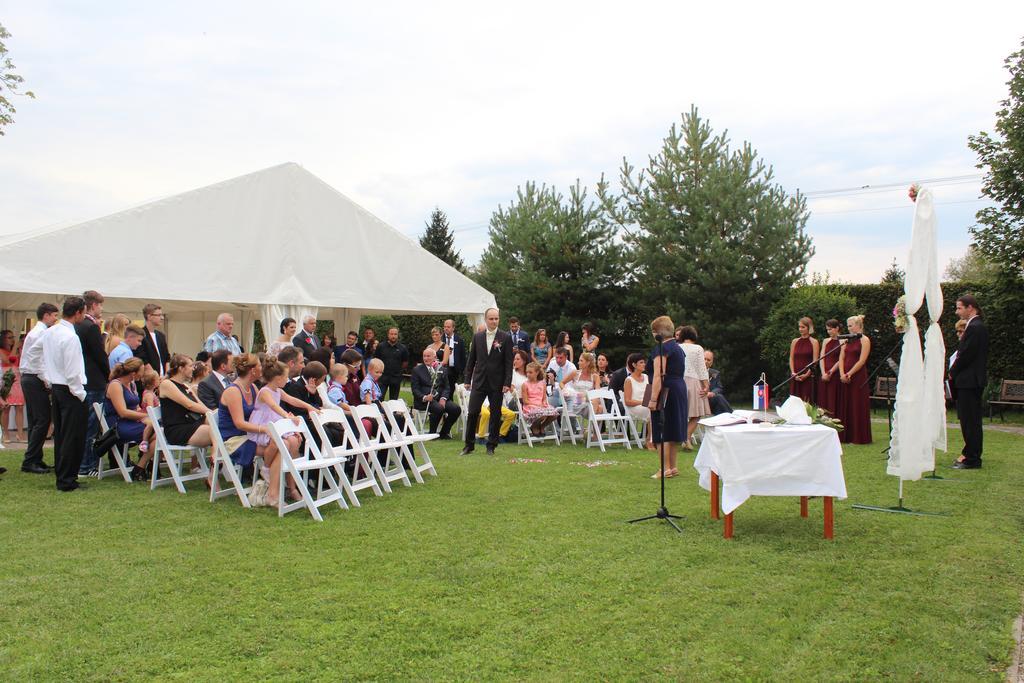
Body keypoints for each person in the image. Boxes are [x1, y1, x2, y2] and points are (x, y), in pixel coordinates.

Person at [248, 359, 310, 507]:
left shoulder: (278, 391)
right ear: (277, 378)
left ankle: (292, 486)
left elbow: (292, 400)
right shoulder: (264, 391)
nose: (288, 379)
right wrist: (287, 416)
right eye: (286, 376)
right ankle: (267, 468)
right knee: (282, 443)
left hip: (276, 422)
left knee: (294, 442)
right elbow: (273, 406)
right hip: (264, 424)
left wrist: (310, 407)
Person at [42, 297, 88, 491]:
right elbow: (72, 370)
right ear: (78, 313)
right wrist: (80, 394)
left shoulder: (50, 332)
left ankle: (64, 476)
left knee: (61, 435)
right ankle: (67, 479)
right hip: (70, 390)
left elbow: (44, 361)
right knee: (73, 437)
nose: (84, 316)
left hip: (57, 387)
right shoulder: (70, 337)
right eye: (84, 312)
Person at [461, 308, 514, 456]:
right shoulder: (477, 337)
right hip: (479, 380)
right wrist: (467, 379)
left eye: (496, 318)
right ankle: (468, 445)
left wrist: (507, 383)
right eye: (491, 319)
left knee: (495, 414)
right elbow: (472, 360)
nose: (494, 321)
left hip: (497, 382)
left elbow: (509, 363)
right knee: (472, 412)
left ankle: (491, 445)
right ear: (485, 319)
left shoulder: (505, 337)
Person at [17, 302, 59, 473]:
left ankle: (35, 458)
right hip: (34, 378)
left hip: (30, 377)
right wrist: (46, 380)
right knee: (42, 420)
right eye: (55, 315)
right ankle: (30, 460)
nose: (56, 319)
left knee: (36, 420)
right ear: (46, 315)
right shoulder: (41, 333)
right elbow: (37, 359)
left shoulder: (37, 331)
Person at [949, 294, 988, 469]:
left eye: (959, 308)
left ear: (970, 307)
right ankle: (969, 453)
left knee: (970, 421)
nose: (957, 312)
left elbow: (966, 355)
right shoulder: (974, 326)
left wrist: (952, 371)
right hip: (969, 381)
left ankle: (972, 458)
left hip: (970, 381)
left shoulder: (976, 327)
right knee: (968, 420)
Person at [646, 316, 688, 479]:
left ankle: (664, 469)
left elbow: (658, 375)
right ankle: (673, 466)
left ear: (658, 333)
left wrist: (653, 398)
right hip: (678, 387)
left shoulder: (661, 349)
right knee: (672, 426)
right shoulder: (678, 348)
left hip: (664, 389)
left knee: (660, 427)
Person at [104, 359, 156, 481]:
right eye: (141, 372)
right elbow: (122, 412)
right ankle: (143, 467)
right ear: (133, 373)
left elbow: (136, 407)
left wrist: (145, 416)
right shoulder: (115, 385)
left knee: (159, 431)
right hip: (118, 425)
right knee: (158, 433)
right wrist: (145, 416)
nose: (143, 375)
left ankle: (140, 468)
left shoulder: (131, 385)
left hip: (132, 421)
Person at [75, 290, 109, 478]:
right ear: (94, 305)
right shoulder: (90, 327)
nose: (101, 309)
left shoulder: (78, 326)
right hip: (94, 380)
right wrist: (108, 374)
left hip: (84, 379)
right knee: (92, 425)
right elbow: (99, 355)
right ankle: (86, 465)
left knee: (85, 424)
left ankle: (83, 463)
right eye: (101, 305)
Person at [158, 355, 214, 453]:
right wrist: (210, 412)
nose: (193, 369)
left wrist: (213, 414)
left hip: (191, 423)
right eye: (191, 366)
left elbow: (199, 404)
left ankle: (220, 462)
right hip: (177, 429)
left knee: (221, 423)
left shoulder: (185, 385)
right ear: (181, 368)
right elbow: (189, 405)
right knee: (216, 430)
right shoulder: (167, 384)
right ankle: (218, 462)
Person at [410, 347, 461, 439]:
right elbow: (415, 389)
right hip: (425, 401)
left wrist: (443, 398)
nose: (426, 358)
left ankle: (444, 433)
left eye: (428, 356)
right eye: (424, 356)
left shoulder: (441, 369)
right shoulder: (417, 370)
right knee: (439, 408)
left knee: (456, 409)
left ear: (434, 357)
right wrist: (424, 397)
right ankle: (432, 433)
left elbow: (447, 387)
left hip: (440, 398)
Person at [838, 315, 872, 444]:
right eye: (848, 325)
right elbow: (841, 357)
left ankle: (858, 436)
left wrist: (850, 373)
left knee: (856, 404)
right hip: (844, 375)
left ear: (858, 325)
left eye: (851, 325)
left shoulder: (865, 340)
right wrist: (842, 373)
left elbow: (862, 360)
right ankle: (845, 435)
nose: (849, 328)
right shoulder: (846, 340)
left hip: (857, 376)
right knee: (846, 403)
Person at [678, 326, 710, 449]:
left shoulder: (677, 347)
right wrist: (706, 386)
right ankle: (686, 436)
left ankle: (684, 437)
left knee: (680, 412)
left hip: (678, 381)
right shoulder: (698, 349)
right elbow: (702, 369)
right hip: (693, 381)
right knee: (696, 413)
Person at [0, 328, 26, 444]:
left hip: (17, 377)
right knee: (6, 408)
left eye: (13, 338)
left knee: (19, 407)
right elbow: (8, 360)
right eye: (9, 338)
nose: (12, 340)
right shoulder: (1, 350)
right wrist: (16, 347)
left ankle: (20, 434)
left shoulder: (17, 350)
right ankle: (6, 433)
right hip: (7, 378)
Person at [520, 361, 559, 436]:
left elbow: (544, 398)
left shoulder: (542, 383)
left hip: (540, 405)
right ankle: (534, 426)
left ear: (537, 372)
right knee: (543, 413)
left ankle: (542, 426)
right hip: (529, 406)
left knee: (555, 414)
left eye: (530, 372)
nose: (528, 374)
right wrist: (537, 404)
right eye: (527, 372)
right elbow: (525, 401)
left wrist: (544, 403)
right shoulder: (525, 385)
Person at [622, 352, 653, 449]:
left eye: (644, 362)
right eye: (641, 362)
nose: (644, 364)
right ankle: (649, 441)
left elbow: (648, 395)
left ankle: (657, 439)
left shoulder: (646, 377)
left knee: (659, 408)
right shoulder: (629, 380)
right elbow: (627, 401)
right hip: (633, 407)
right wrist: (643, 402)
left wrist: (649, 401)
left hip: (645, 405)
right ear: (634, 365)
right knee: (651, 410)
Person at [560, 351, 604, 417]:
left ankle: (592, 425)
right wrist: (566, 390)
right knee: (599, 408)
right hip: (576, 401)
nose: (578, 363)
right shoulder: (575, 373)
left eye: (581, 361)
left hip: (588, 402)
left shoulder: (595, 376)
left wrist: (593, 399)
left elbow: (597, 392)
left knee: (599, 407)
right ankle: (592, 425)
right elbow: (561, 383)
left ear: (588, 363)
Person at [789, 316, 820, 403]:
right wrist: (793, 373)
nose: (800, 329)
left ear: (809, 328)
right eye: (799, 327)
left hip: (808, 376)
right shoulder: (795, 341)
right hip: (795, 375)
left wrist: (807, 375)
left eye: (803, 327)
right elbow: (791, 358)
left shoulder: (814, 342)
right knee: (794, 401)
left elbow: (815, 361)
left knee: (806, 401)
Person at [375, 327, 409, 401]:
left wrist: (398, 370)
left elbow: (405, 362)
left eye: (395, 334)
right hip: (382, 377)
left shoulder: (403, 348)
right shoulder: (381, 346)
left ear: (397, 335)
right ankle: (379, 412)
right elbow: (376, 360)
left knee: (393, 400)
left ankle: (392, 413)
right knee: (379, 398)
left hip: (396, 378)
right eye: (391, 334)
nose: (393, 336)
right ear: (388, 335)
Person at [817, 320, 843, 417]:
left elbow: (841, 358)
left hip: (835, 373)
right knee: (823, 398)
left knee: (833, 398)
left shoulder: (843, 340)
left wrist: (831, 371)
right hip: (824, 373)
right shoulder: (826, 341)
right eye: (827, 329)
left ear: (837, 328)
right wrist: (823, 372)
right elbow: (822, 357)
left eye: (830, 329)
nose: (829, 332)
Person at [135, 303, 170, 376]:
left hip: (162, 378)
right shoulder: (140, 335)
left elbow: (167, 357)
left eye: (162, 315)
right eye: (159, 315)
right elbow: (142, 359)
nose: (162, 318)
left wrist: (166, 375)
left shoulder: (161, 336)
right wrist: (155, 377)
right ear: (149, 316)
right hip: (148, 379)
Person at [704, 350, 732, 415]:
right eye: (704, 359)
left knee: (718, 399)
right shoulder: (694, 373)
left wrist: (712, 393)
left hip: (710, 399)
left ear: (711, 363)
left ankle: (727, 418)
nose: (706, 361)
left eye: (708, 360)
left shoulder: (714, 373)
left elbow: (719, 387)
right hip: (698, 399)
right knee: (719, 398)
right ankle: (732, 415)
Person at [440, 319, 466, 389]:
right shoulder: (440, 339)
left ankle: (449, 399)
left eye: (448, 327)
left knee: (451, 389)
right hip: (442, 368)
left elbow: (463, 356)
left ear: (453, 328)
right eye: (445, 327)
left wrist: (461, 369)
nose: (446, 328)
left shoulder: (459, 340)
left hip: (454, 370)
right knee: (442, 388)